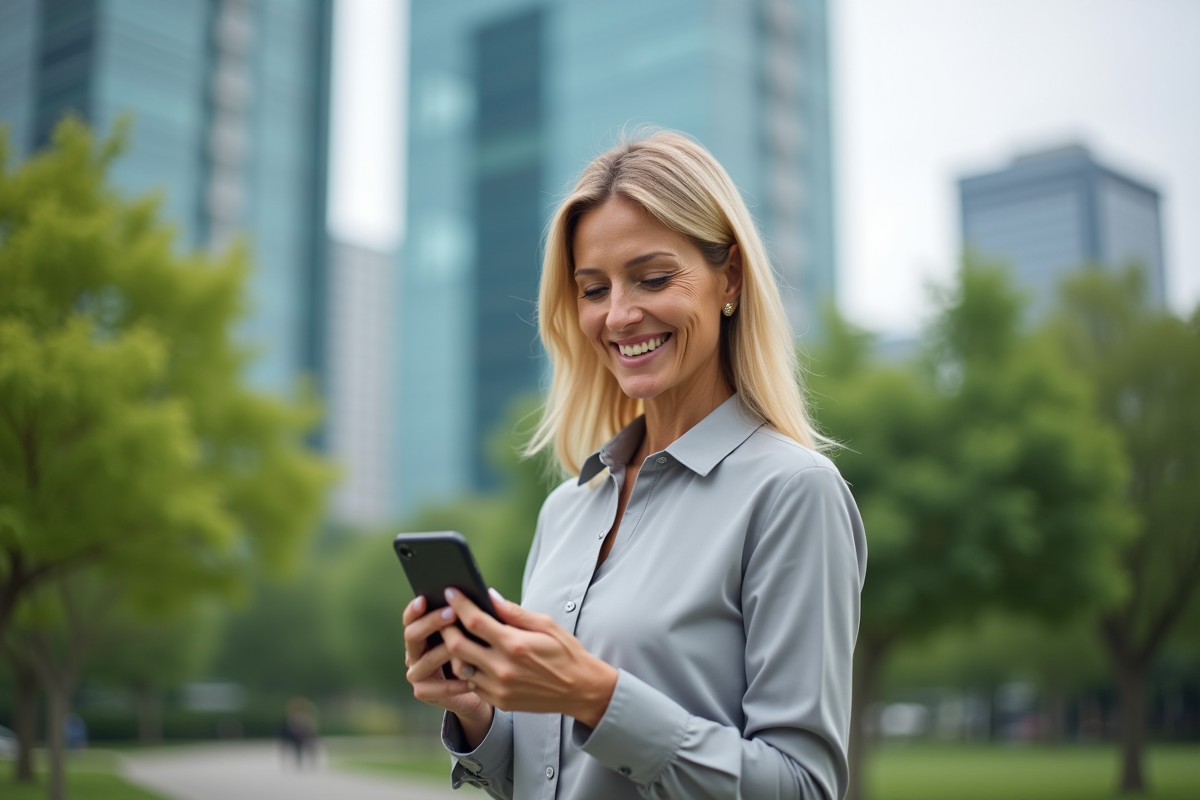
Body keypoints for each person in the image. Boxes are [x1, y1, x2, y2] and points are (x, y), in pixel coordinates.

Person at [402, 131, 867, 800]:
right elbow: (554, 781)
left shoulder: (794, 494)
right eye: (594, 289)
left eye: (652, 278)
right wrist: (477, 713)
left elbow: (801, 786)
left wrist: (596, 697)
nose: (619, 315)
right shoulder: (567, 509)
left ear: (729, 277)